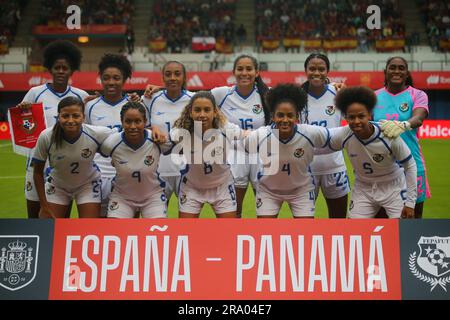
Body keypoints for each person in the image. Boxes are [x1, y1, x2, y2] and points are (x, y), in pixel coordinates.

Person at [15, 40, 88, 219]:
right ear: (50, 69)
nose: (61, 71)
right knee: (34, 217)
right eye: (57, 67)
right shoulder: (35, 93)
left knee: (60, 220)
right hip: (38, 162)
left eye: (65, 68)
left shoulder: (81, 96)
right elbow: (22, 125)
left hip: (65, 165)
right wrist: (21, 111)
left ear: (72, 70)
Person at [328, 86, 417, 219]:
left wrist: (410, 203)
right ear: (345, 117)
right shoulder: (344, 134)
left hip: (393, 187)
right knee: (355, 233)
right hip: (363, 187)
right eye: (351, 117)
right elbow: (319, 139)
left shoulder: (387, 134)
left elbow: (410, 165)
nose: (356, 121)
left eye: (361, 116)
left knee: (403, 229)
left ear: (369, 114)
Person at [246, 84, 330, 219]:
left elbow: (340, 136)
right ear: (272, 116)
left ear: (297, 116)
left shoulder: (309, 132)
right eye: (280, 115)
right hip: (269, 191)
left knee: (304, 235)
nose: (285, 120)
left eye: (290, 115)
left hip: (301, 191)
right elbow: (234, 143)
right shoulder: (261, 135)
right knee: (265, 235)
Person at [32, 97, 112, 219]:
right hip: (58, 186)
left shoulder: (97, 133)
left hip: (87, 185)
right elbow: (37, 172)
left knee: (89, 229)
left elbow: (124, 134)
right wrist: (44, 205)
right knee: (48, 227)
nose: (70, 120)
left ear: (83, 117)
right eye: (65, 116)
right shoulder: (47, 137)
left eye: (76, 116)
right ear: (58, 116)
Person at [169, 91, 245, 218]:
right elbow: (166, 136)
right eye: (197, 110)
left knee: (229, 232)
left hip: (222, 186)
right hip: (192, 187)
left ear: (215, 112)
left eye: (207, 110)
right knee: (186, 233)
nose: (202, 115)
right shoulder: (180, 133)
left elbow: (247, 134)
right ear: (190, 112)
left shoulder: (226, 129)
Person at [374, 56, 430, 218]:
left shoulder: (418, 95)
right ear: (385, 72)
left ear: (407, 73)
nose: (396, 71)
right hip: (383, 166)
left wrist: (403, 125)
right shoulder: (373, 96)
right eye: (392, 67)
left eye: (401, 68)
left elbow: (418, 118)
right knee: (381, 220)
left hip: (413, 165)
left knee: (412, 219)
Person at [301, 53, 350, 218]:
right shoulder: (297, 96)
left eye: (321, 69)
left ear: (327, 71)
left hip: (335, 165)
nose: (316, 72)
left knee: (338, 221)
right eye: (312, 68)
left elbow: (354, 119)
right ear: (305, 70)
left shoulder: (338, 93)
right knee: (304, 222)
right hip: (306, 167)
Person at [100, 102, 169, 218]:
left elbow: (181, 145)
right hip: (122, 198)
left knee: (157, 232)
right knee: (117, 232)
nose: (133, 127)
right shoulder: (111, 144)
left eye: (137, 121)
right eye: (128, 121)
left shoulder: (157, 140)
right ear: (122, 122)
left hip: (152, 198)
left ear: (145, 122)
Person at [141, 61, 193, 204]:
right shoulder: (150, 99)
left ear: (184, 77)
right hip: (158, 167)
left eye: (177, 74)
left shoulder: (193, 100)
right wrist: (151, 129)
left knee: (187, 219)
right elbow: (137, 128)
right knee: (159, 218)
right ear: (162, 77)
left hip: (187, 166)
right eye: (168, 74)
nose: (173, 78)